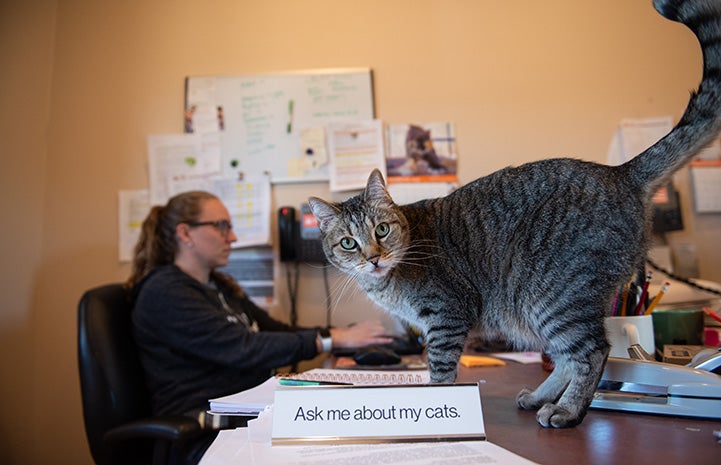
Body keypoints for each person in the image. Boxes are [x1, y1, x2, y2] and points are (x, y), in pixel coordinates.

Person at [127, 190, 392, 424]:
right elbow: (243, 349)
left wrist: (339, 336)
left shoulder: (219, 286)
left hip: (248, 409)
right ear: (185, 233)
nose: (232, 237)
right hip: (204, 426)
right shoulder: (164, 292)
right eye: (221, 226)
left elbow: (277, 331)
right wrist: (333, 339)